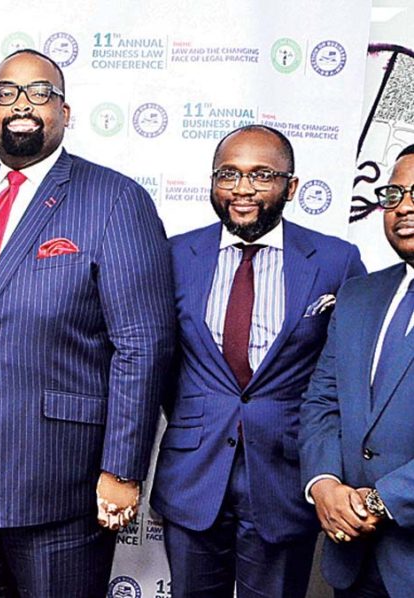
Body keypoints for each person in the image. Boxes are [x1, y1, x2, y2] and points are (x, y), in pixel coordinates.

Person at [0, 48, 175, 596]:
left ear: (64, 112)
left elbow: (142, 344)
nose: (22, 105)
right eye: (6, 93)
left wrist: (122, 469)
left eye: (40, 92)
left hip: (58, 483)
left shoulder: (114, 199)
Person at [150, 125, 365, 598]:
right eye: (228, 174)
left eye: (261, 175)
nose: (242, 189)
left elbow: (345, 376)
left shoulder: (336, 260)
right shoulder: (175, 255)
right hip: (193, 473)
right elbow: (158, 361)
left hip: (285, 477)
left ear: (291, 186)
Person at [301, 144, 414, 597]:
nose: (404, 206)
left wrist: (381, 500)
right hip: (353, 559)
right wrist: (324, 483)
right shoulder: (358, 295)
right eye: (394, 194)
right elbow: (322, 401)